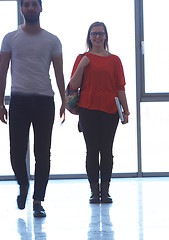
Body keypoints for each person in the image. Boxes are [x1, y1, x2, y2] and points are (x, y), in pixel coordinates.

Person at [0, 0, 65, 218]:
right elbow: (2, 72)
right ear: (21, 9)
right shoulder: (10, 38)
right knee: (16, 152)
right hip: (19, 101)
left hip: (44, 101)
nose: (30, 8)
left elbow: (60, 73)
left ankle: (38, 200)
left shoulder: (52, 40)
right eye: (26, 5)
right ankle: (24, 185)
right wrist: (0, 102)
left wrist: (65, 100)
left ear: (41, 8)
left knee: (42, 153)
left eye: (34, 4)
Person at [69, 22, 130, 204]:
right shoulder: (82, 58)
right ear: (89, 36)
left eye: (100, 33)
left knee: (107, 150)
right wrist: (82, 66)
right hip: (88, 110)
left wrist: (126, 110)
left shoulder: (115, 60)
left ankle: (106, 190)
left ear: (106, 36)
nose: (97, 37)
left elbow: (120, 88)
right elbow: (73, 85)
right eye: (94, 34)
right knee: (92, 150)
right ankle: (94, 191)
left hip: (110, 111)